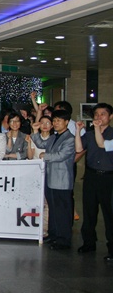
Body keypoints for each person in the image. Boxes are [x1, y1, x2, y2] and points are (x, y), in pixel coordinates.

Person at [31, 110, 75, 250]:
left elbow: (61, 155)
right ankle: (53, 234)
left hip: (61, 180)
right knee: (53, 209)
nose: (56, 123)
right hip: (50, 179)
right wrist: (35, 131)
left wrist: (46, 156)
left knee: (62, 211)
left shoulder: (70, 138)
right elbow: (40, 144)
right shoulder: (54, 137)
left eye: (58, 121)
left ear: (66, 122)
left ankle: (64, 240)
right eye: (54, 120)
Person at [74, 103, 113, 261]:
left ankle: (112, 248)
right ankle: (89, 242)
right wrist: (78, 131)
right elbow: (79, 149)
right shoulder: (89, 134)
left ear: (110, 117)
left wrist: (96, 128)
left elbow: (101, 144)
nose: (99, 117)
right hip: (91, 176)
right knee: (89, 211)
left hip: (108, 178)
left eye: (103, 114)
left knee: (109, 213)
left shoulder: (111, 134)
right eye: (96, 114)